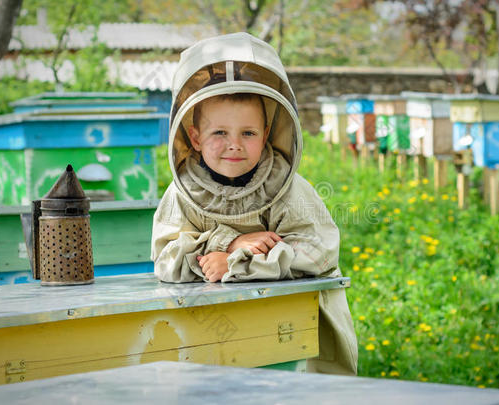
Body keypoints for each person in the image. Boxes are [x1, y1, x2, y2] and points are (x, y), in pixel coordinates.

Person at [151, 32, 358, 375]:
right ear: (195, 138)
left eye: (247, 133)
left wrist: (234, 262)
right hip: (212, 330)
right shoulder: (181, 194)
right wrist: (228, 242)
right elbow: (167, 258)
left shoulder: (289, 190)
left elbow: (318, 252)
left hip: (294, 327)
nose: (234, 145)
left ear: (265, 136)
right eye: (220, 133)